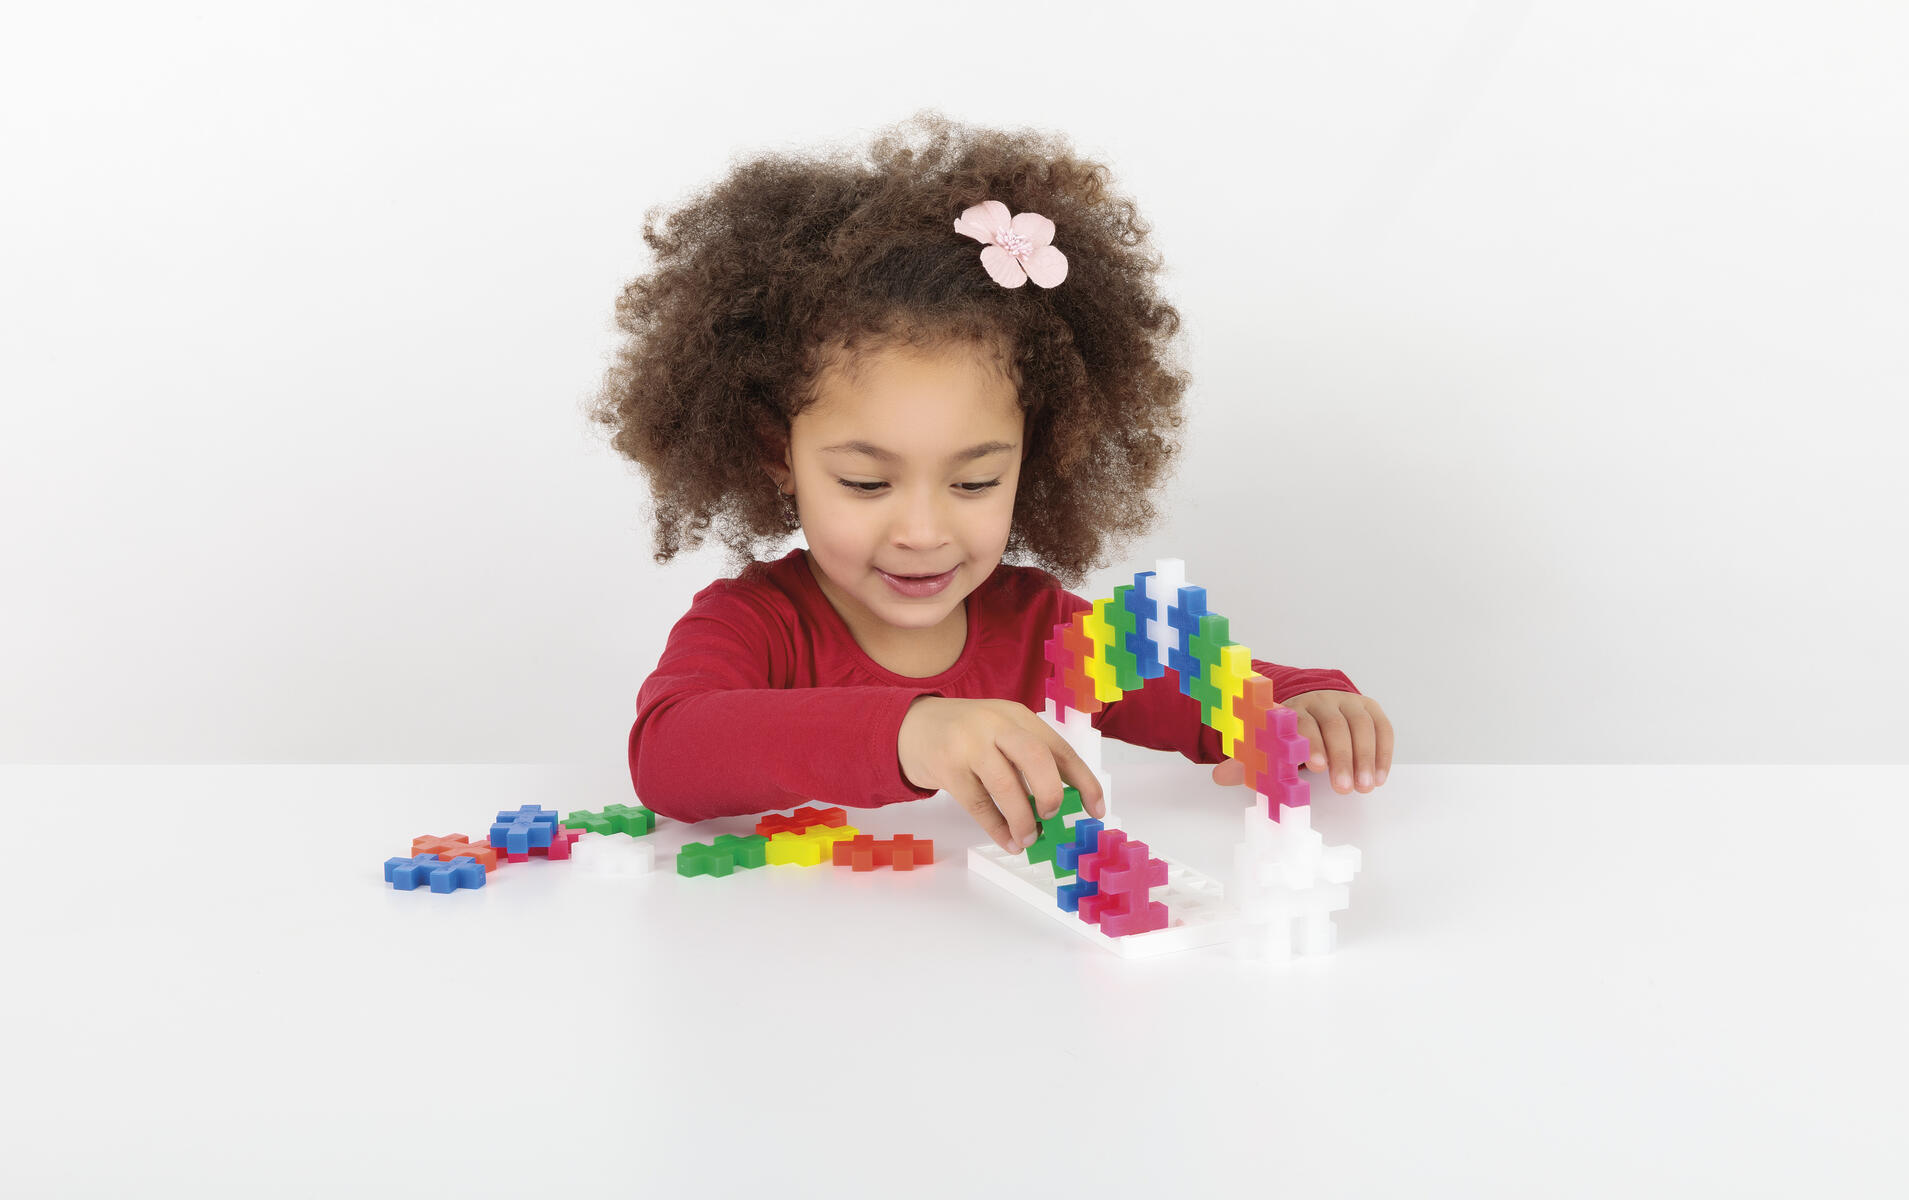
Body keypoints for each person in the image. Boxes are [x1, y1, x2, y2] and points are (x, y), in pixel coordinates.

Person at [587, 110, 1393, 854]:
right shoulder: (754, 627)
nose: (922, 532)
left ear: (1031, 457)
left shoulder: (1046, 635)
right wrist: (918, 732)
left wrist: (1305, 703)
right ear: (777, 455)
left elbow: (1216, 696)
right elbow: (670, 754)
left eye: (974, 483)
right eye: (865, 483)